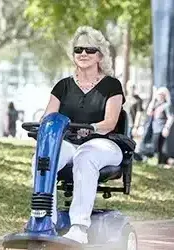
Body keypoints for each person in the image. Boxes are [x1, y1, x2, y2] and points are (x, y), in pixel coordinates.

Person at [32, 26, 125, 243]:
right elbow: (48, 118)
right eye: (78, 49)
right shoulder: (63, 85)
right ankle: (46, 220)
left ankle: (79, 227)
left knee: (85, 156)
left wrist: (92, 127)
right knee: (42, 158)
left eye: (90, 50)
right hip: (69, 142)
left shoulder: (111, 85)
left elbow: (110, 122)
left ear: (100, 55)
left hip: (104, 143)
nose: (83, 54)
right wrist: (41, 128)